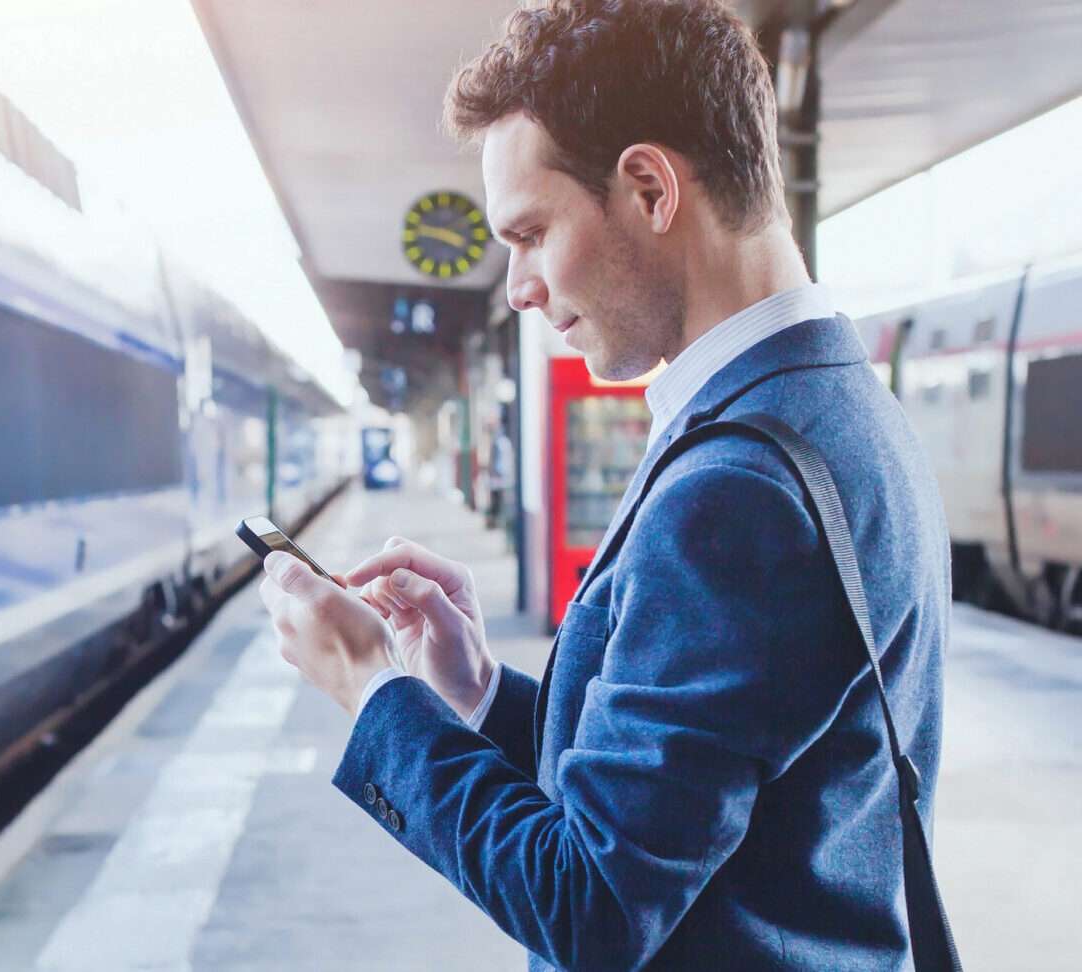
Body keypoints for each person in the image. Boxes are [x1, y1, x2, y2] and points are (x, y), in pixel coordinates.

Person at [256, 1, 950, 969]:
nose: (515, 287)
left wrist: (372, 694)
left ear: (647, 188)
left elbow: (589, 906)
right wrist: (478, 691)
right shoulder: (832, 407)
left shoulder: (734, 490)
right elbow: (694, 790)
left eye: (531, 232)